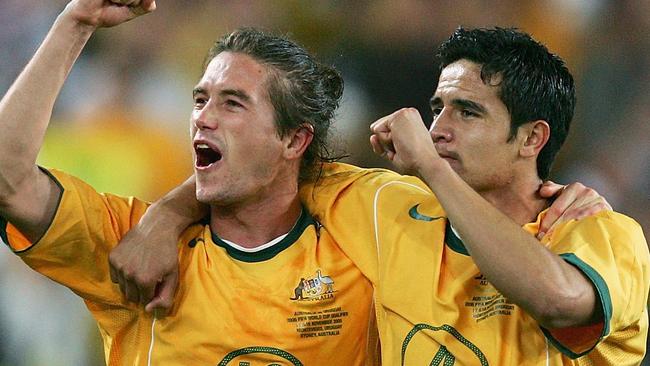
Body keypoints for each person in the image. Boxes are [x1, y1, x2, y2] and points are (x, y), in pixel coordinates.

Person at [107, 27, 642, 366]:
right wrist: (164, 216)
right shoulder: (388, 208)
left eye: (468, 112)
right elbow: (266, 164)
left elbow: (560, 300)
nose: (439, 128)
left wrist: (432, 169)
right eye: (439, 108)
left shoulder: (600, 231)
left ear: (532, 138)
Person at [0, 0, 383, 364]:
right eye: (200, 100)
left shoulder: (364, 247)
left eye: (233, 103)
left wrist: (170, 211)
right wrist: (76, 24)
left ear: (294, 140)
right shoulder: (134, 253)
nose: (203, 117)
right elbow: (8, 179)